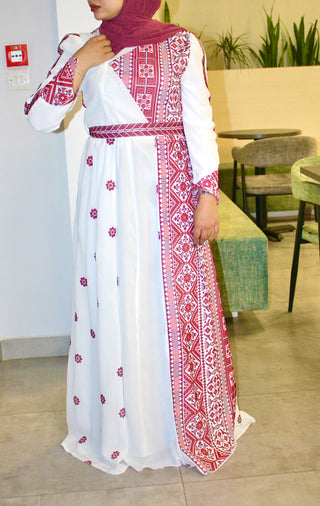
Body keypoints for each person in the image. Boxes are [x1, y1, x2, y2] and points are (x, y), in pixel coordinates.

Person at [25, 0, 254, 475]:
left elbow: (200, 123)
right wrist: (82, 61)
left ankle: (172, 426)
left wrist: (207, 195)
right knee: (113, 302)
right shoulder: (78, 45)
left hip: (166, 192)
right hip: (104, 194)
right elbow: (40, 119)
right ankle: (118, 428)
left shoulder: (180, 44)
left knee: (161, 303)